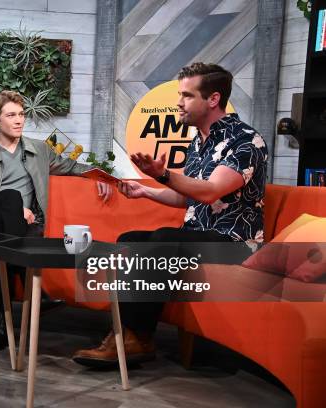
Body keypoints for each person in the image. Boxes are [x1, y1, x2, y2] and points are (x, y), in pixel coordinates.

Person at [72, 63, 268, 367]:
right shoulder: (199, 141)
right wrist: (146, 191)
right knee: (130, 239)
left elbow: (209, 191)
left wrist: (164, 175)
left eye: (187, 96)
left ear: (213, 99)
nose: (179, 103)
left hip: (234, 244)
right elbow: (184, 196)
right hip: (197, 238)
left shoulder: (245, 140)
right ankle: (133, 338)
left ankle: (130, 339)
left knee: (163, 238)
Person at [0, 90, 113, 350]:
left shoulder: (39, 150)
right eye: (11, 115)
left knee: (8, 227)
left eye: (21, 114)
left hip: (19, 229)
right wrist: (14, 208)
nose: (19, 120)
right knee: (9, 201)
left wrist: (100, 174)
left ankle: (1, 313)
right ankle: (37, 293)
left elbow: (70, 166)